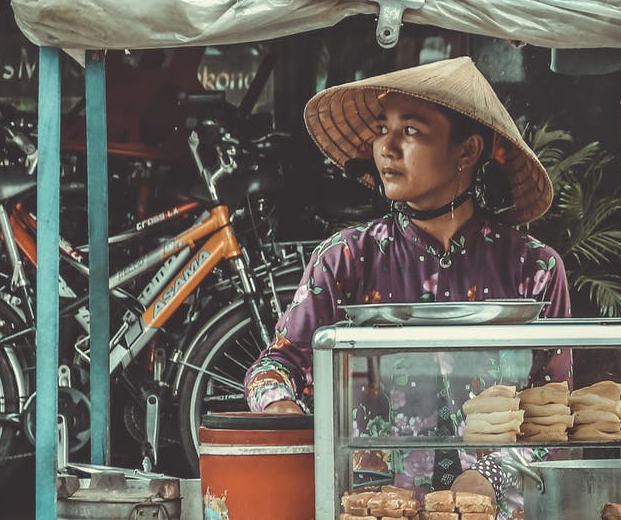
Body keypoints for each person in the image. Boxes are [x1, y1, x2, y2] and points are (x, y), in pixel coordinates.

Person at [244, 56, 572, 518]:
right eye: (382, 129)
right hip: (371, 509)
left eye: (411, 131)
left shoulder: (533, 269)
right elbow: (275, 364)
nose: (386, 147)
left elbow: (554, 415)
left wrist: (493, 475)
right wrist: (280, 406)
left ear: (467, 151)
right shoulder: (346, 259)